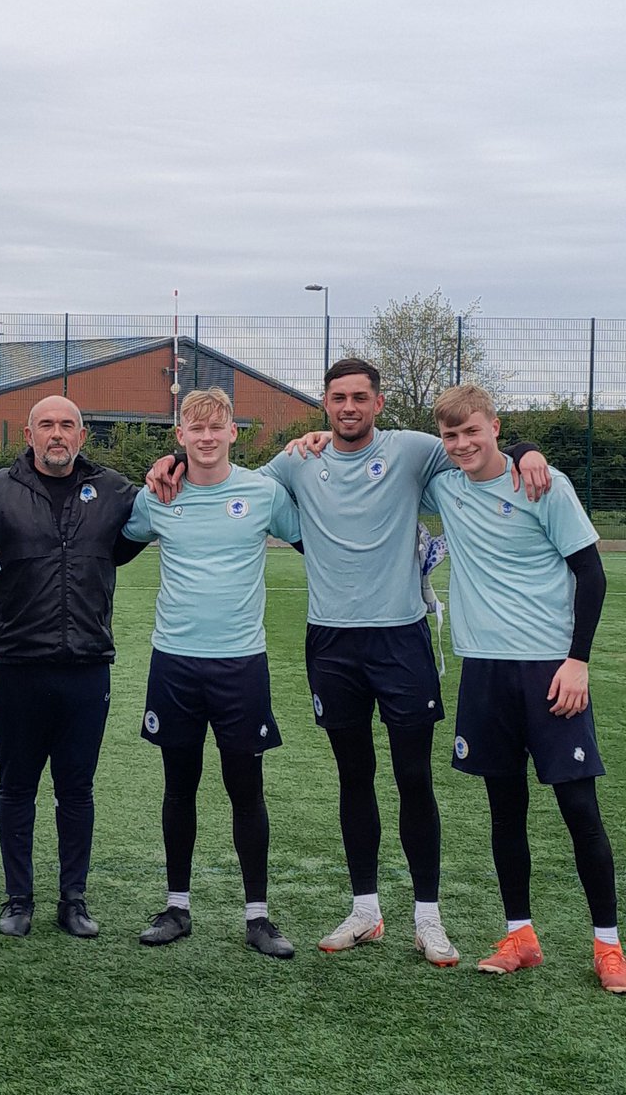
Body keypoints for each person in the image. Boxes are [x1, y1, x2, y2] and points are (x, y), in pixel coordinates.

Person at [149, 358, 550, 966]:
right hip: (332, 643)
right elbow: (227, 474)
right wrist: (173, 461)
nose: (348, 408)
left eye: (360, 397)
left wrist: (524, 449)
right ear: (325, 404)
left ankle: (428, 918)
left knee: (413, 778)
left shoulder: (416, 450)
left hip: (401, 638)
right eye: (338, 398)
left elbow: (478, 447)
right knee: (353, 777)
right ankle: (366, 911)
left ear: (378, 403)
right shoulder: (297, 461)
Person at [423, 384, 624, 994]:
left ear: (495, 428)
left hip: (548, 670)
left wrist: (578, 661)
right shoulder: (445, 485)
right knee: (504, 810)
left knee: (578, 809)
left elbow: (592, 574)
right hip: (484, 671)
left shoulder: (542, 484)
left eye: (472, 433)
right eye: (451, 436)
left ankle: (609, 945)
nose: (461, 445)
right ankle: (520, 935)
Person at [124, 388, 300, 957]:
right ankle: (177, 907)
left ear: (232, 433)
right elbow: (110, 546)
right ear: (179, 436)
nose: (205, 437)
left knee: (246, 788)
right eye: (193, 429)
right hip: (174, 662)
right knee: (180, 786)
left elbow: (320, 542)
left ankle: (258, 917)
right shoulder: (158, 497)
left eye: (216, 427)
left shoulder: (264, 493)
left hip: (241, 664)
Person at [0, 394, 144, 938]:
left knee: (77, 790)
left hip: (86, 667)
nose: (57, 433)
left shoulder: (116, 492)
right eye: (46, 424)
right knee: (16, 787)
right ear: (28, 435)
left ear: (82, 434)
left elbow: (169, 494)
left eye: (67, 424)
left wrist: (172, 462)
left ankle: (74, 899)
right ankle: (17, 898)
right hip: (18, 666)